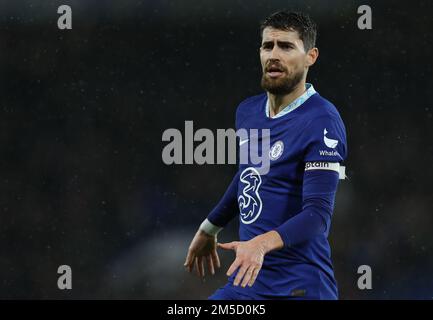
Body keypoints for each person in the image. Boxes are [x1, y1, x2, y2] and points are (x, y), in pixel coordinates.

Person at [184, 10, 348, 300]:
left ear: (311, 56)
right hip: (249, 284)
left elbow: (317, 215)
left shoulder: (322, 120)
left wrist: (260, 244)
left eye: (286, 46)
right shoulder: (248, 111)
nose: (274, 54)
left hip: (300, 286)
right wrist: (210, 227)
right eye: (267, 46)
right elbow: (249, 177)